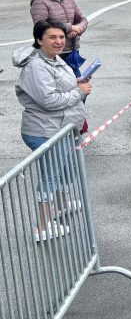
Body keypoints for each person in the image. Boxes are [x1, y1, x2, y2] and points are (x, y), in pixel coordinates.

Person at [14, 20, 92, 242]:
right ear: (39, 40)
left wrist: (78, 82)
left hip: (60, 128)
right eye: (52, 37)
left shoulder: (52, 58)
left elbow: (59, 87)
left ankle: (59, 206)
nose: (59, 41)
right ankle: (41, 227)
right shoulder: (36, 66)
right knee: (50, 177)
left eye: (61, 37)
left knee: (64, 171)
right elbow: (48, 100)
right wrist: (79, 92)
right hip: (44, 131)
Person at [30, 0, 89, 77]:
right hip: (53, 54)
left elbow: (83, 20)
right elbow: (40, 25)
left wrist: (77, 30)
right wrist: (69, 27)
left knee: (78, 86)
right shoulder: (40, 2)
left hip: (71, 51)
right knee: (63, 88)